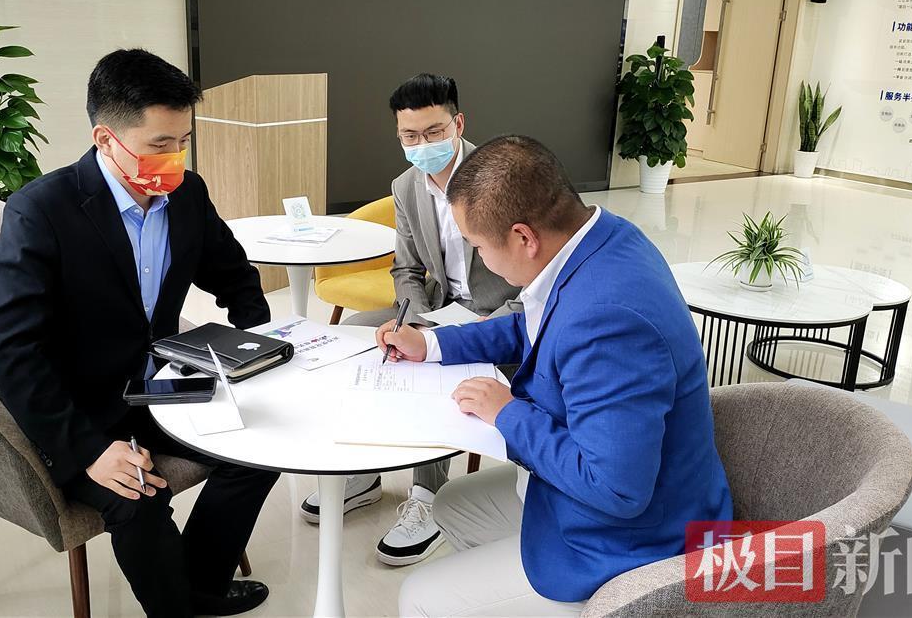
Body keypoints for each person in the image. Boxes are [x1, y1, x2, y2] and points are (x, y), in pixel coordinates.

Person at [0, 49, 279, 618]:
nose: (174, 159)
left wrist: (263, 341)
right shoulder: (40, 211)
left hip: (157, 387)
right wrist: (88, 450)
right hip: (79, 408)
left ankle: (198, 585)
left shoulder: (186, 194)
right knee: (138, 498)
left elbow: (233, 273)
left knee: (261, 449)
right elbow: (10, 352)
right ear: (105, 138)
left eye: (183, 141)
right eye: (159, 145)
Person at [382, 135, 733, 616]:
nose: (480, 258)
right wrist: (433, 344)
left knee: (419, 598)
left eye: (478, 246)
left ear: (524, 238)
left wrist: (508, 413)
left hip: (636, 540)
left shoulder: (609, 321)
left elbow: (617, 489)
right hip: (583, 489)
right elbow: (533, 326)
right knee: (451, 506)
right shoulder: (599, 238)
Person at [300, 74, 520, 567]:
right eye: (410, 136)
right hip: (440, 306)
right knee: (359, 334)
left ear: (458, 123)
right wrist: (417, 324)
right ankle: (364, 470)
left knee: (435, 365)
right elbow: (406, 269)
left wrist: (446, 337)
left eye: (434, 132)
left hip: (500, 314)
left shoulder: (502, 179)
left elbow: (532, 282)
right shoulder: (406, 186)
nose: (423, 145)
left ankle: (428, 498)